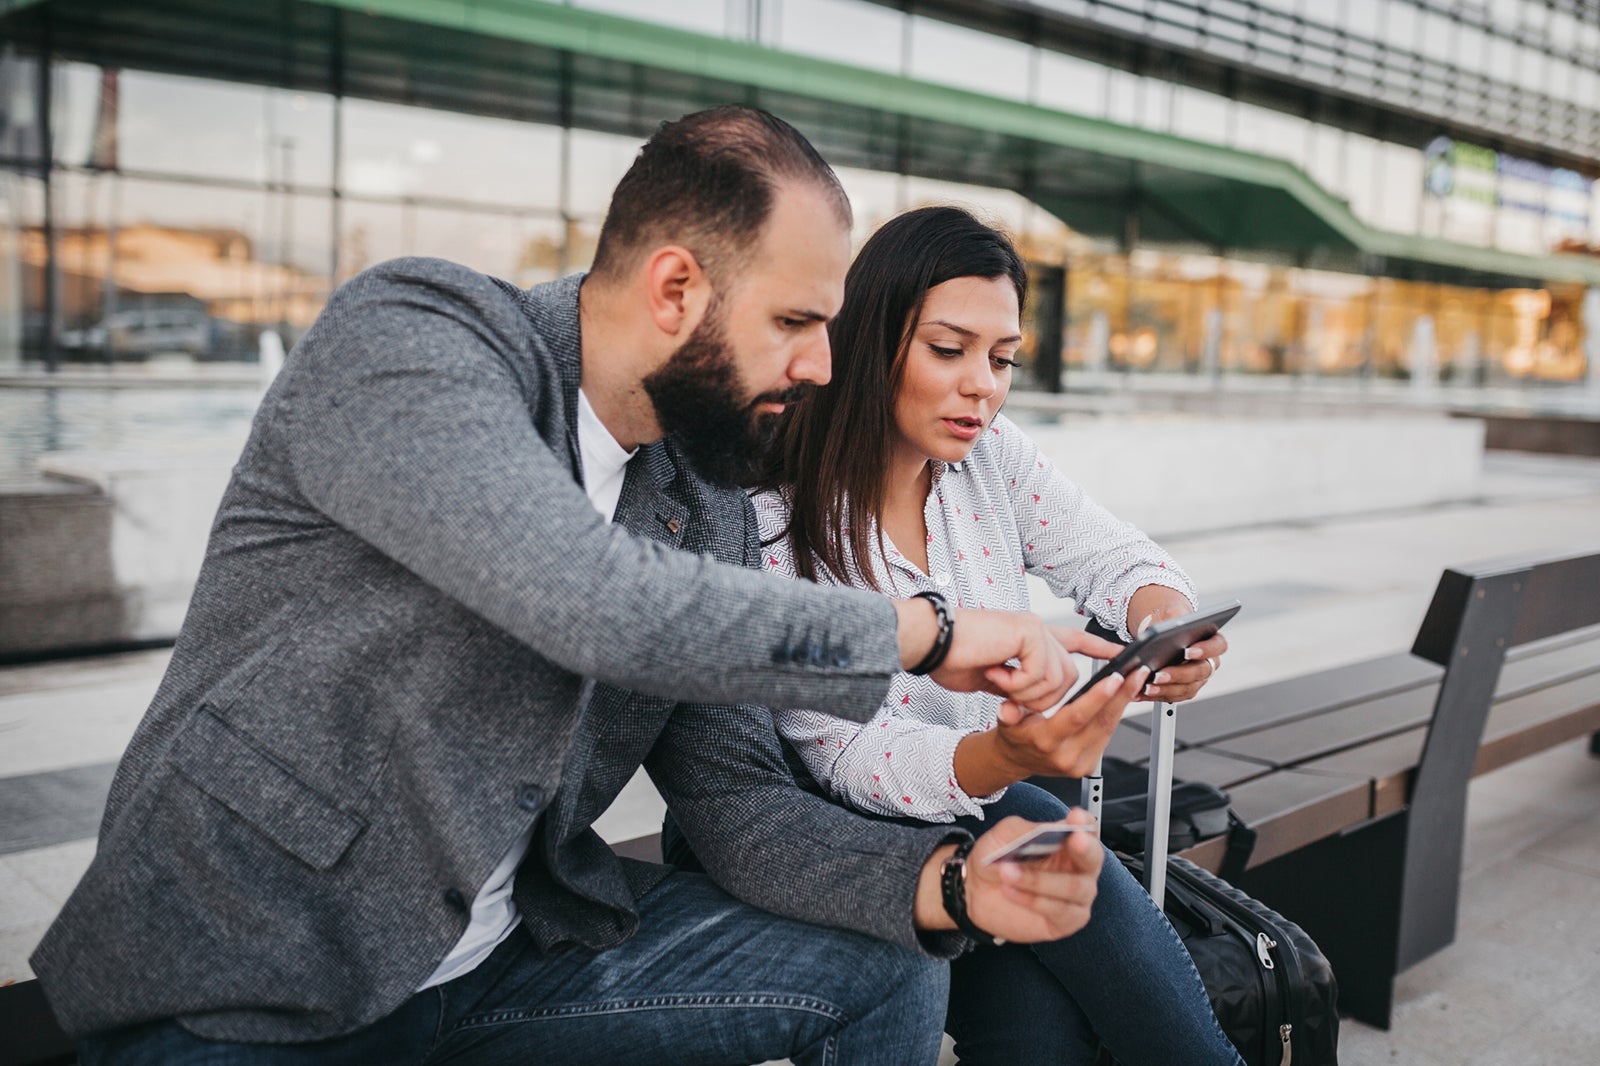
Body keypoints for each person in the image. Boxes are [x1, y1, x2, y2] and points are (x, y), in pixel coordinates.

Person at [32, 108, 1146, 1066]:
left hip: (508, 966)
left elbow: (737, 799)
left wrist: (947, 881)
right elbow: (590, 598)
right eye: (796, 323)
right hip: (244, 972)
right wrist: (921, 630)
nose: (819, 365)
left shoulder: (701, 494)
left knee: (891, 961)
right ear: (676, 287)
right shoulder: (414, 337)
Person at [676, 205, 1241, 1064]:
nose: (984, 385)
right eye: (949, 349)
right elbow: (847, 756)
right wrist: (1006, 758)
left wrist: (1162, 626)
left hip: (978, 811)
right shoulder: (767, 518)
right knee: (1055, 843)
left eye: (1002, 358)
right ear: (867, 343)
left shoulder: (989, 457)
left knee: (1040, 1024)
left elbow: (1115, 557)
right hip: (821, 833)